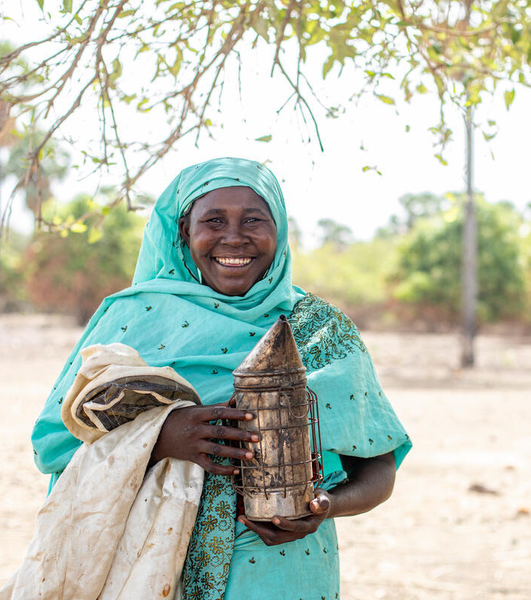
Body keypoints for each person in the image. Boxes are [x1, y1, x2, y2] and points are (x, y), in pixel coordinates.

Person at [31, 157, 412, 600]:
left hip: (278, 575)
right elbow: (53, 443)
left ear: (280, 230)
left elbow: (378, 469)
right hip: (140, 571)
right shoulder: (131, 318)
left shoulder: (321, 329)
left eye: (254, 219)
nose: (234, 237)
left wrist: (323, 509)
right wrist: (163, 436)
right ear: (184, 233)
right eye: (213, 220)